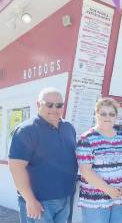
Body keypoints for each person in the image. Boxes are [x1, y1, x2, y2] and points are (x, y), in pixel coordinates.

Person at [9, 87, 78, 223]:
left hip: (65, 199)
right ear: (38, 105)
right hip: (39, 203)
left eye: (59, 105)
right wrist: (30, 200)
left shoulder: (69, 128)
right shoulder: (26, 130)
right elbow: (16, 168)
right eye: (49, 105)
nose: (54, 109)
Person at [76, 97, 122, 223]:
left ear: (116, 117)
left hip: (120, 197)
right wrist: (109, 190)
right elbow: (85, 171)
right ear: (96, 115)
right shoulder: (87, 138)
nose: (107, 117)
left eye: (111, 114)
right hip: (96, 201)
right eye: (103, 114)